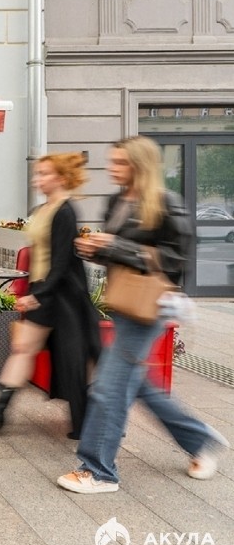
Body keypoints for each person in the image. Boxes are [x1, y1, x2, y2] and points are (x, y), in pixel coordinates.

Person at [58, 135, 229, 494]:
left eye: (121, 162)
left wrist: (117, 245)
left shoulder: (166, 203)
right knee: (136, 385)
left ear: (140, 166)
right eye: (113, 161)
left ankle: (99, 471)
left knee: (108, 388)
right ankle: (200, 440)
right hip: (124, 302)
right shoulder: (117, 200)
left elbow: (177, 260)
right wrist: (96, 250)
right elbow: (119, 253)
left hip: (149, 307)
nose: (113, 168)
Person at [0, 153, 100, 438]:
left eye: (44, 173)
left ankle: (87, 419)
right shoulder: (41, 209)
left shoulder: (65, 212)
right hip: (44, 290)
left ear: (61, 178)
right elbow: (38, 256)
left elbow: (62, 262)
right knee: (23, 348)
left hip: (63, 296)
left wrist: (38, 293)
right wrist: (32, 290)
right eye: (37, 173)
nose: (36, 178)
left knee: (74, 358)